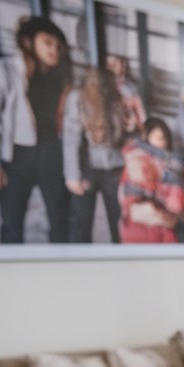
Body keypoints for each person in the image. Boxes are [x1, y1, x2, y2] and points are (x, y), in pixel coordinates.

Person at [0, 15, 73, 243]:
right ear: (28, 42)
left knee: (60, 221)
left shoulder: (61, 76)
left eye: (58, 45)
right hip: (17, 158)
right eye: (47, 42)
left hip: (53, 156)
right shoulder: (1, 71)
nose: (54, 50)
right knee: (12, 223)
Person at [62, 65, 126, 242]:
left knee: (119, 226)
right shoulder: (77, 98)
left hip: (114, 167)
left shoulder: (116, 95)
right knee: (81, 228)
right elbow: (71, 137)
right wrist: (72, 175)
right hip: (86, 169)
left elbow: (125, 132)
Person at [118, 117, 184, 243]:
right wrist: (163, 217)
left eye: (165, 138)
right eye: (159, 138)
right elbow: (130, 200)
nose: (163, 143)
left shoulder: (171, 163)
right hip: (143, 228)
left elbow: (176, 199)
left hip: (165, 229)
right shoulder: (138, 161)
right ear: (146, 137)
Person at [105, 53, 147, 137]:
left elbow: (139, 113)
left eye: (116, 63)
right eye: (110, 65)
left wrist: (139, 125)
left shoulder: (130, 88)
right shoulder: (105, 88)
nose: (112, 67)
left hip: (128, 130)